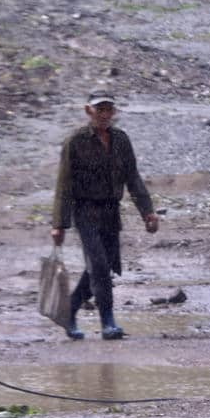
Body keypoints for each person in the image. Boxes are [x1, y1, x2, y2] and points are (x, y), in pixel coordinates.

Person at [50, 93, 158, 340]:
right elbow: (63, 184)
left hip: (110, 211)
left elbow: (133, 178)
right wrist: (59, 224)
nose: (105, 115)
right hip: (85, 210)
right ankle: (108, 321)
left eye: (109, 110)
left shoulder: (121, 139)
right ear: (88, 110)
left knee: (103, 266)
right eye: (100, 110)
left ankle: (69, 309)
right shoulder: (75, 141)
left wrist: (147, 212)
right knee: (98, 265)